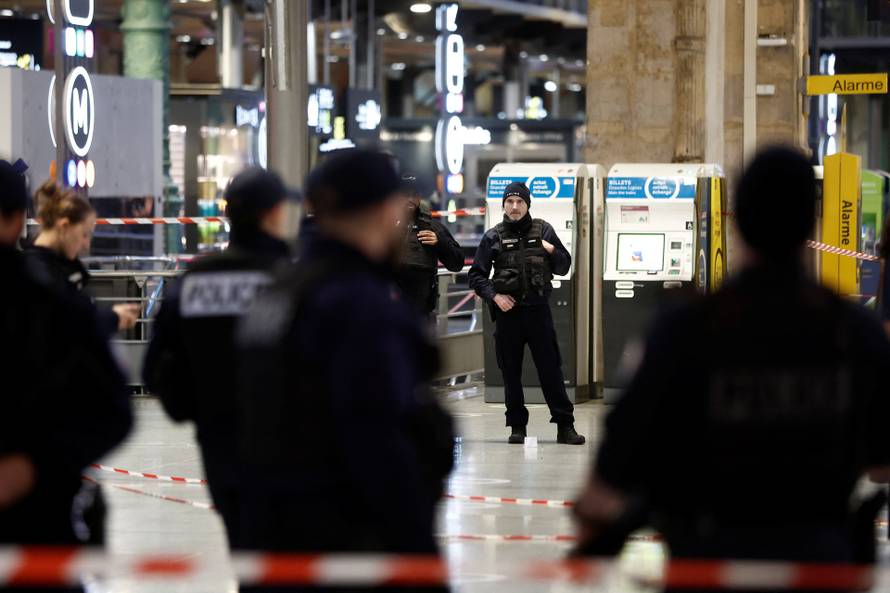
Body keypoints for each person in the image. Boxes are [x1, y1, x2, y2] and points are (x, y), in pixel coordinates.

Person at [573, 147, 890, 575]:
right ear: (810, 224)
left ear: (736, 219)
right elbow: (882, 465)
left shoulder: (684, 328)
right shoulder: (855, 331)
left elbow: (614, 467)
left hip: (708, 560)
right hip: (818, 563)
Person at [236, 148, 453, 590]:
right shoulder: (360, 307)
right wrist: (418, 555)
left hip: (270, 531)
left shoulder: (276, 293)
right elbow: (379, 442)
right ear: (382, 208)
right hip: (345, 537)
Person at [142, 168, 295, 548]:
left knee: (242, 546)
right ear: (273, 213)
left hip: (218, 442)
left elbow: (156, 367)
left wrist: (194, 407)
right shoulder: (290, 280)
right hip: (286, 447)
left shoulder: (194, 281)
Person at [0, 160, 132, 592]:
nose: (87, 243)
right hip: (34, 519)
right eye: (85, 233)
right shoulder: (46, 302)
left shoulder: (49, 297)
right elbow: (113, 409)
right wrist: (38, 465)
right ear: (18, 219)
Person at [468, 181, 585, 445]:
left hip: (538, 313)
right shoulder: (493, 236)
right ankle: (517, 427)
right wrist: (495, 296)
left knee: (551, 370)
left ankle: (565, 426)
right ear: (503, 206)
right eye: (510, 201)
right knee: (510, 372)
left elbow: (564, 266)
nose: (515, 206)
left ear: (527, 204)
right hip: (509, 316)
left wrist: (551, 249)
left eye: (520, 201)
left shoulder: (543, 230)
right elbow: (475, 277)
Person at [26, 180, 139, 336]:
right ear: (64, 226)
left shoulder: (60, 269)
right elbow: (69, 324)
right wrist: (112, 318)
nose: (86, 244)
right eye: (85, 234)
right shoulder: (40, 275)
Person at [395, 175, 464, 317]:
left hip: (421, 313)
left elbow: (457, 264)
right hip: (386, 312)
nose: (410, 199)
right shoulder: (382, 226)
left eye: (414, 194)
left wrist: (440, 243)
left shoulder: (433, 227)